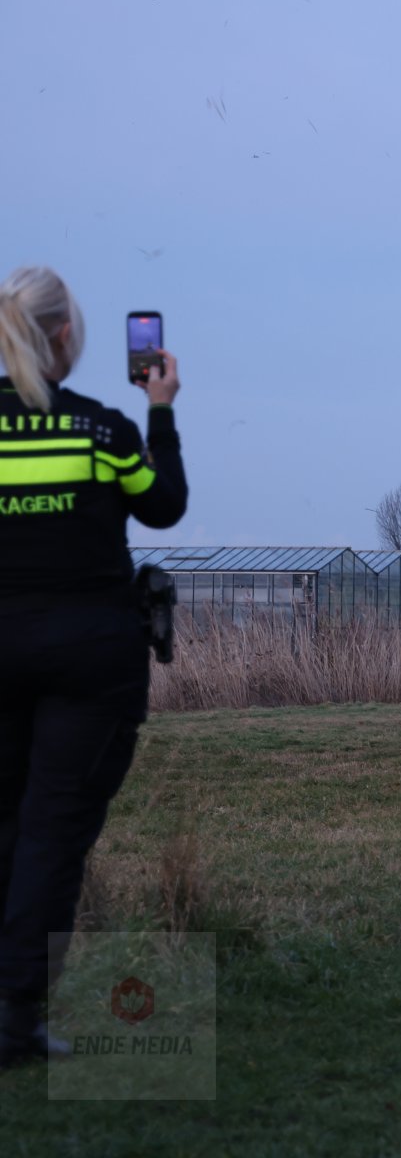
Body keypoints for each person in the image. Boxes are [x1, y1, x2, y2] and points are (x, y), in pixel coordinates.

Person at [0, 266, 186, 1069]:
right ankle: (13, 1019)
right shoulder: (106, 433)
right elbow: (165, 505)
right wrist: (161, 411)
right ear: (69, 338)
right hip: (91, 661)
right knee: (51, 835)